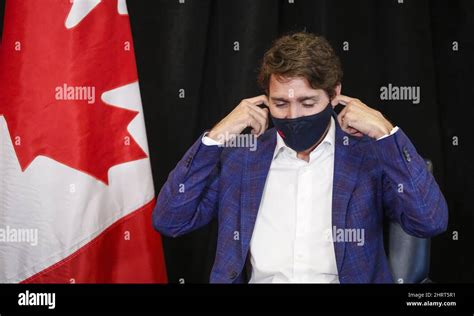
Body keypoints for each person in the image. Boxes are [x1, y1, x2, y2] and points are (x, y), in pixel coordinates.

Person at [153, 32, 448, 283]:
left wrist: (386, 133)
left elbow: (429, 221)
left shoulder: (369, 156)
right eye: (280, 103)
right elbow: (171, 220)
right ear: (264, 99)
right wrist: (214, 138)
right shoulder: (241, 158)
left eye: (307, 102)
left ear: (334, 94)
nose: (293, 116)